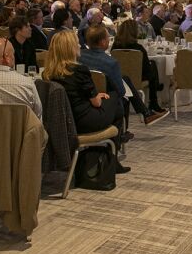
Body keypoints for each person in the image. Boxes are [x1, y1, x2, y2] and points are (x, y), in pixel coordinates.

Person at [42, 30, 128, 166]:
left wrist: (94, 95)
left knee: (112, 100)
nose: (80, 46)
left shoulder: (48, 73)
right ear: (70, 48)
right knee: (116, 99)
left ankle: (109, 156)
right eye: (77, 44)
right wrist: (97, 96)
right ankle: (112, 159)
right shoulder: (79, 71)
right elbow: (96, 103)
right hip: (83, 121)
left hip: (63, 121)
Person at [81, 25, 162, 125]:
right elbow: (121, 91)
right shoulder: (111, 63)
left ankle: (146, 113)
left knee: (125, 79)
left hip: (85, 96)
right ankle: (124, 130)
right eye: (107, 37)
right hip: (105, 98)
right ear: (102, 42)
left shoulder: (79, 56)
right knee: (125, 95)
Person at [110, 19, 166, 115]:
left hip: (120, 77)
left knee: (152, 64)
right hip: (138, 78)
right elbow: (146, 69)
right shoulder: (139, 49)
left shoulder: (115, 47)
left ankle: (156, 88)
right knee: (152, 66)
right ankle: (154, 99)